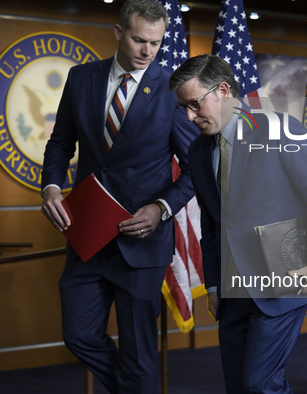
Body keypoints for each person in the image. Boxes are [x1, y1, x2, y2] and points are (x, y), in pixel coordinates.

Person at [40, 0, 197, 392]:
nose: (148, 51)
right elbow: (60, 144)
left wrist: (161, 209)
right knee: (78, 334)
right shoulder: (81, 78)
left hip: (141, 243)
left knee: (139, 354)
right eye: (139, 40)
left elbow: (197, 167)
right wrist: (51, 186)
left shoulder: (174, 90)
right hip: (88, 237)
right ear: (118, 32)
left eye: (156, 43)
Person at [168, 54, 307, 393]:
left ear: (222, 90)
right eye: (184, 108)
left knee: (260, 386)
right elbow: (212, 221)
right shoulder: (198, 151)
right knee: (238, 386)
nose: (190, 117)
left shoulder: (280, 129)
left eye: (194, 105)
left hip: (283, 282)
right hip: (233, 291)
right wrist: (215, 287)